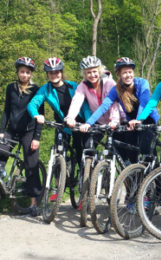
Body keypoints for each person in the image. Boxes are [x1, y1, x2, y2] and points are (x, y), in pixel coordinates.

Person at [27, 57, 91, 201]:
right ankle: (57, 188)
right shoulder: (46, 89)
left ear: (61, 73)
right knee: (59, 153)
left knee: (82, 156)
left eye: (56, 72)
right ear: (47, 75)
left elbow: (85, 106)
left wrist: (88, 122)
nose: (54, 75)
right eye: (50, 73)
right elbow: (32, 104)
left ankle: (83, 193)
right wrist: (37, 115)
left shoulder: (73, 86)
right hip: (62, 126)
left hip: (80, 125)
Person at [82, 57, 159, 163]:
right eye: (124, 73)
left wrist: (139, 120)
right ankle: (134, 175)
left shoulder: (142, 83)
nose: (128, 75)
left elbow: (144, 103)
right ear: (118, 75)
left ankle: (157, 176)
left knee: (145, 147)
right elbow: (104, 106)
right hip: (131, 122)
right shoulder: (116, 90)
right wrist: (89, 123)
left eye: (130, 72)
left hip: (147, 119)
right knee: (130, 149)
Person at [0, 57, 43, 216]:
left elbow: (40, 115)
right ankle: (2, 175)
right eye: (22, 72)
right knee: (1, 149)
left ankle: (34, 204)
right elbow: (6, 110)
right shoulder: (10, 87)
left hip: (29, 131)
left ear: (31, 74)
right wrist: (1, 130)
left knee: (31, 165)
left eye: (27, 72)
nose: (24, 75)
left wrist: (36, 137)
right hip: (12, 128)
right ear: (17, 72)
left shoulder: (36, 89)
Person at [65, 56, 125, 147]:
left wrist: (114, 120)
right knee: (88, 146)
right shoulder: (83, 86)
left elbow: (114, 104)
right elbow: (76, 102)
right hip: (98, 121)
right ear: (84, 74)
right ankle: (91, 161)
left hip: (117, 119)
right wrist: (70, 117)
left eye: (94, 71)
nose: (92, 75)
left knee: (121, 150)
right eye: (88, 72)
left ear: (99, 71)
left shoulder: (109, 83)